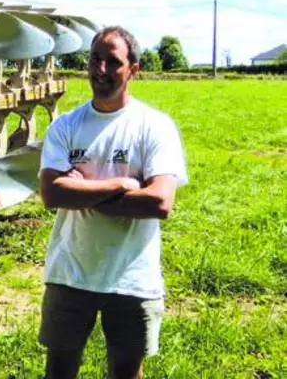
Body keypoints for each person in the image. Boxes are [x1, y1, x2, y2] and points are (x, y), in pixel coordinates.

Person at [38, 26, 188, 379]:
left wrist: (83, 192)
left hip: (132, 276)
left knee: (126, 373)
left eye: (112, 62)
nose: (100, 70)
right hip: (70, 272)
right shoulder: (66, 125)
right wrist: (121, 184)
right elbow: (52, 194)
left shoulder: (154, 126)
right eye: (94, 59)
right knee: (59, 369)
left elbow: (159, 203)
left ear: (134, 69)